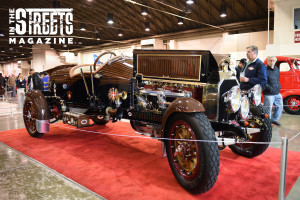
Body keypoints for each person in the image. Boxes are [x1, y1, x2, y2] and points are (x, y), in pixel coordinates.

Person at [263, 56, 283, 126]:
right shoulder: (264, 69)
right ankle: (267, 122)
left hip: (277, 92)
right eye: (270, 60)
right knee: (268, 109)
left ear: (275, 62)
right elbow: (263, 81)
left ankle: (274, 120)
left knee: (279, 107)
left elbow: (277, 79)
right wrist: (270, 89)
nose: (272, 62)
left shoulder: (276, 69)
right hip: (269, 93)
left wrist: (278, 87)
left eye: (273, 61)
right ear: (268, 61)